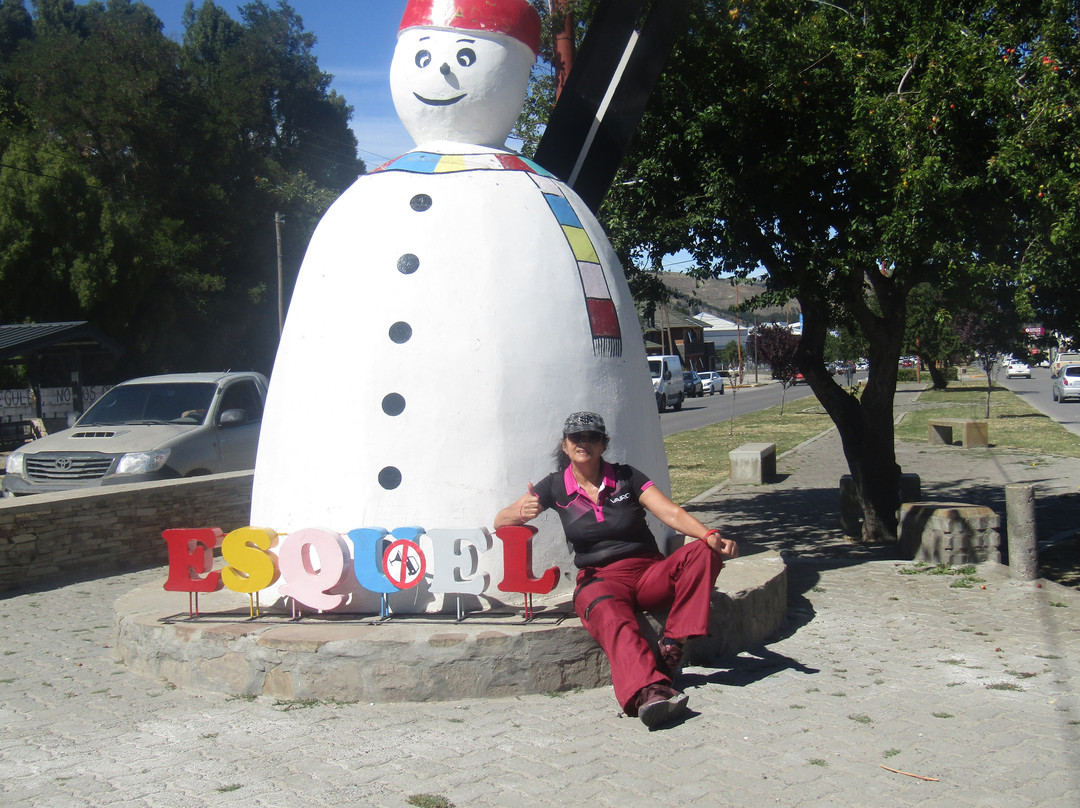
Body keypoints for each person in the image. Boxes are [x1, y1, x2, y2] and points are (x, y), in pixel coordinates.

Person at [495, 411, 739, 728]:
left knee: (704, 553)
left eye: (592, 436)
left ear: (603, 443)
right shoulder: (554, 486)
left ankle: (672, 645)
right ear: (565, 446)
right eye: (576, 437)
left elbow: (671, 512)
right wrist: (519, 513)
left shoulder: (625, 476)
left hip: (648, 571)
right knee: (612, 618)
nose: (584, 442)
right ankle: (651, 693)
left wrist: (708, 535)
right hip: (599, 578)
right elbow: (500, 521)